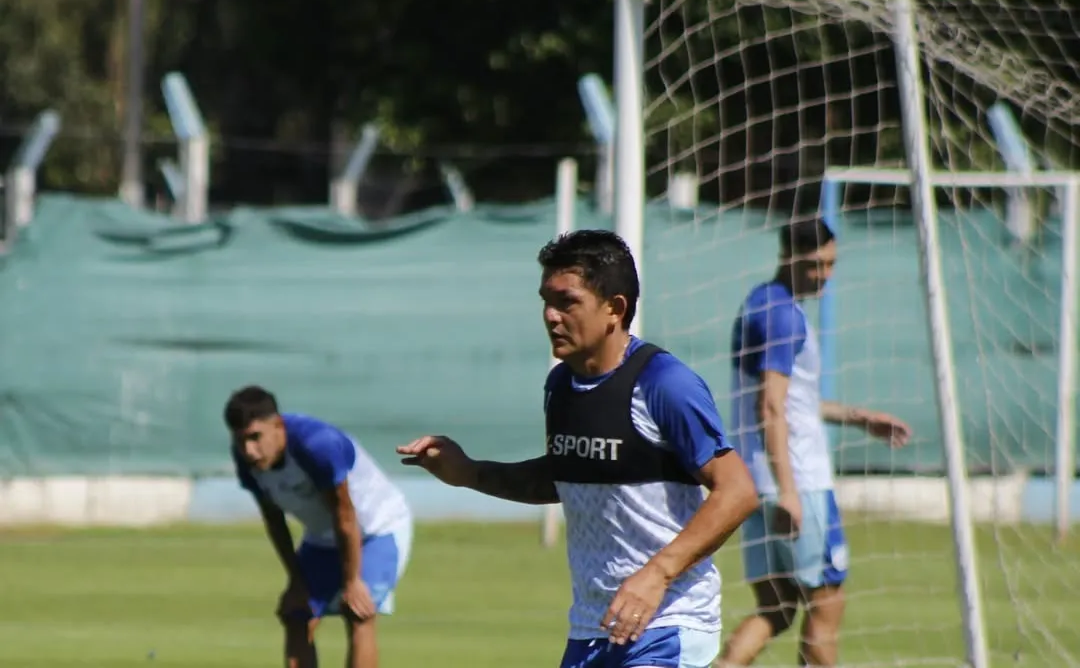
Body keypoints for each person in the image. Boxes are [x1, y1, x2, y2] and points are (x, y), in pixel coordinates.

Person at [397, 229, 759, 668]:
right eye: (545, 300)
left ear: (614, 309)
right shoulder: (561, 385)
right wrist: (470, 472)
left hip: (667, 623)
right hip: (593, 628)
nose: (550, 316)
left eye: (567, 301)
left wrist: (657, 574)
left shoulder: (664, 384)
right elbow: (564, 476)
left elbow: (737, 491)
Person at [718, 218, 912, 667]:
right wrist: (788, 489)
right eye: (817, 265)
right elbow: (770, 407)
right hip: (798, 480)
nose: (825, 275)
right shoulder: (784, 315)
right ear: (789, 256)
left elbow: (791, 401)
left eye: (831, 264)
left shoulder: (758, 303)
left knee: (777, 607)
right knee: (827, 604)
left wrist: (860, 418)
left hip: (754, 481)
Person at [225, 385, 413, 668]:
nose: (249, 450)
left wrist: (352, 582)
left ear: (277, 425)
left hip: (377, 530)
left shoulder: (316, 445)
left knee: (359, 612)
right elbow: (274, 521)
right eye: (241, 441)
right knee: (296, 613)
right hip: (324, 538)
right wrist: (296, 582)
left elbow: (345, 514)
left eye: (255, 437)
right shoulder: (246, 460)